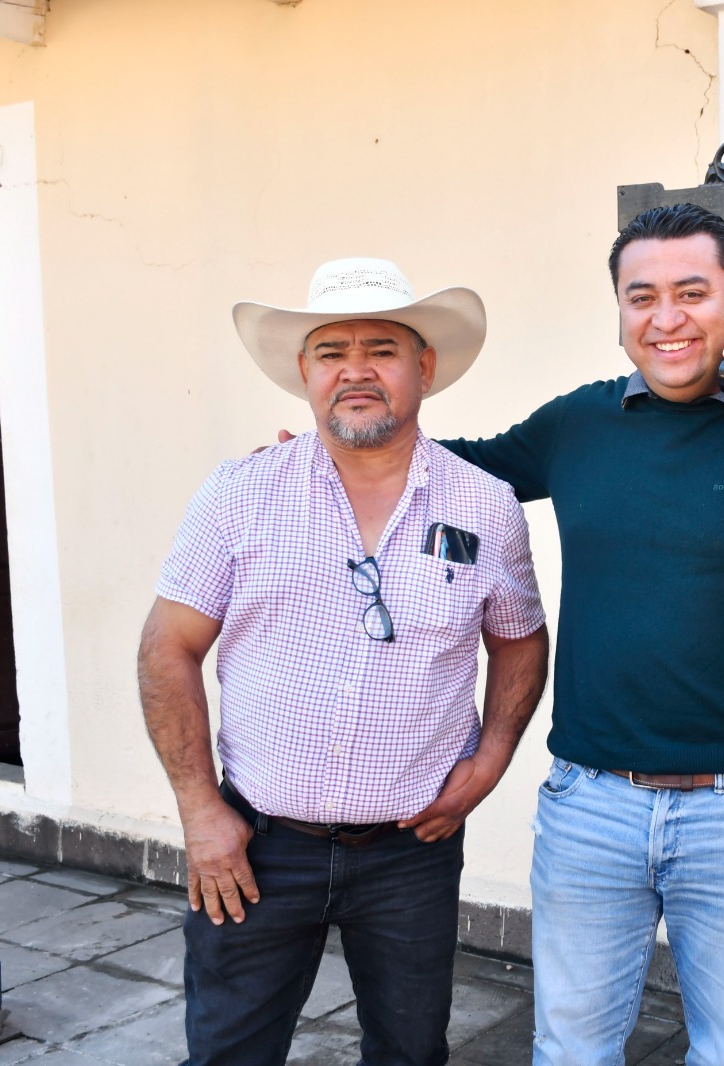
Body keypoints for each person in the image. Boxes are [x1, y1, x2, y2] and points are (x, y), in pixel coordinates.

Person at [439, 204, 724, 1065]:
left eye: (693, 292)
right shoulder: (581, 424)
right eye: (640, 296)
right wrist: (340, 456)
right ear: (620, 317)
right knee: (571, 1049)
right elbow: (460, 469)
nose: (667, 317)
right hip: (591, 802)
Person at [138, 258, 550, 1066]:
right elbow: (167, 649)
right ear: (305, 373)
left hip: (410, 852)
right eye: (331, 351)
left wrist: (494, 755)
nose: (355, 369)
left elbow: (520, 637)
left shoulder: (485, 505)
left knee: (409, 1051)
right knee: (229, 1053)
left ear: (423, 367)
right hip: (254, 844)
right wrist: (198, 808)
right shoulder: (239, 494)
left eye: (382, 348)